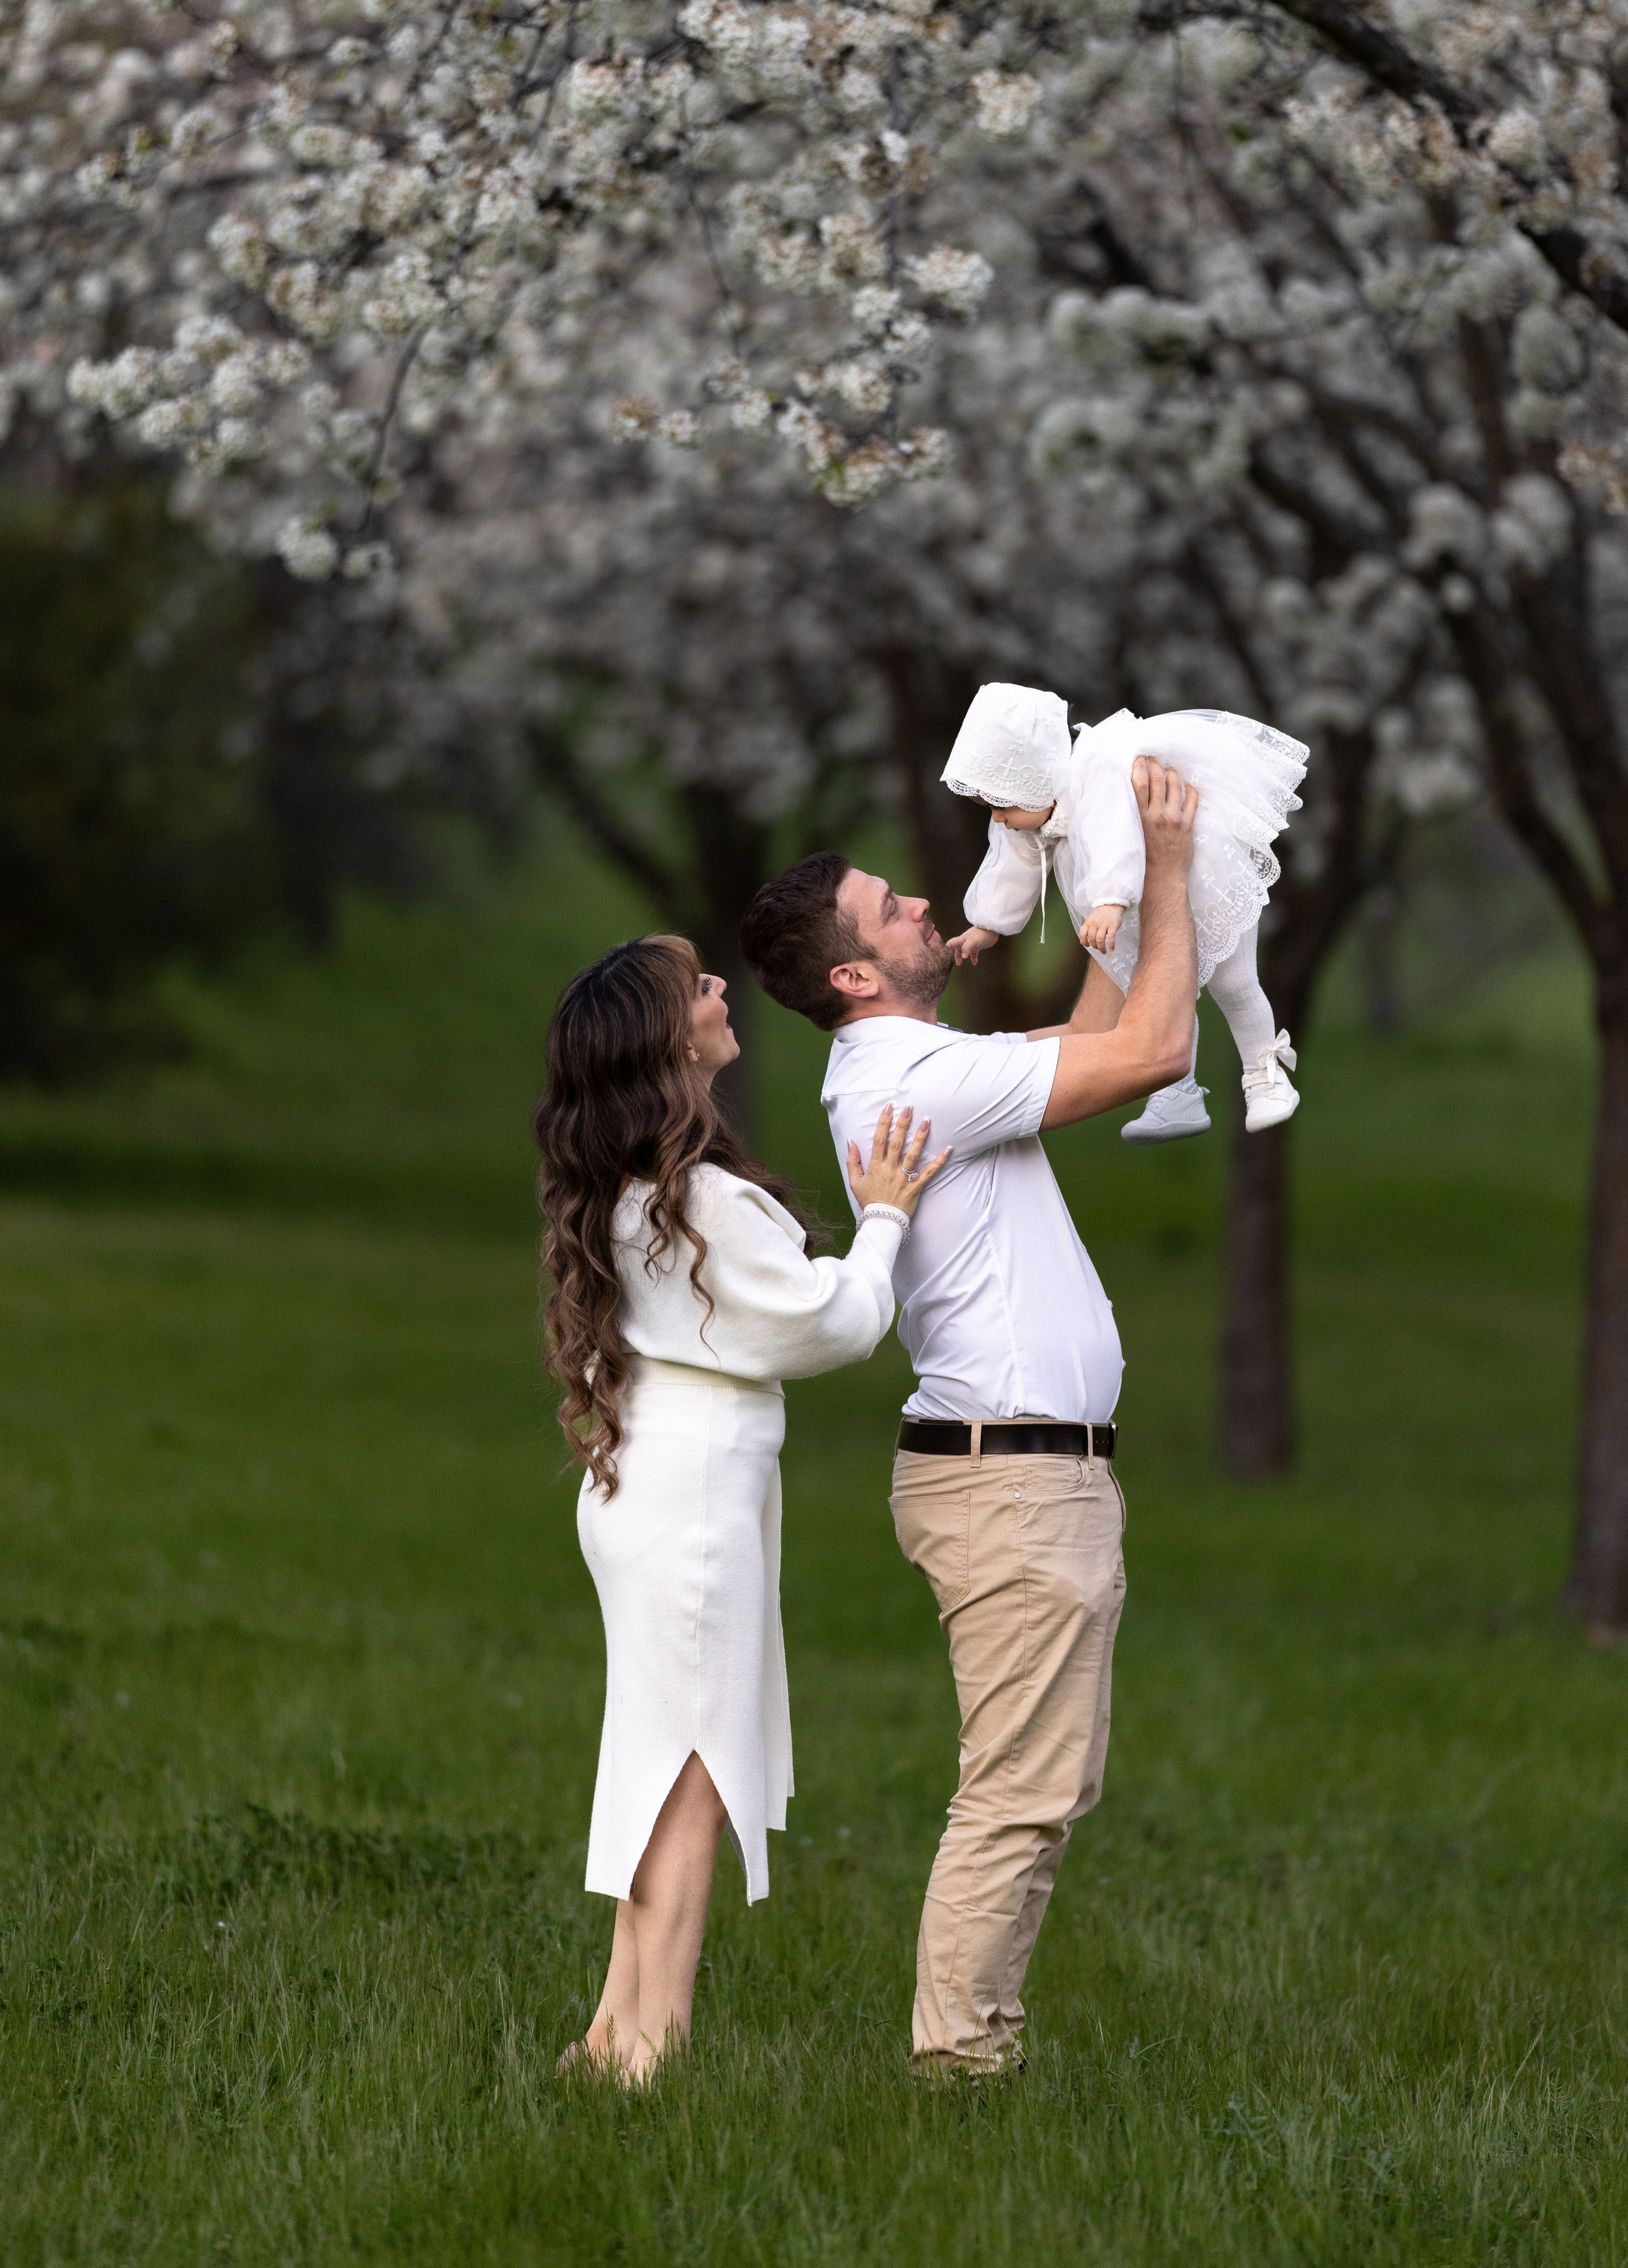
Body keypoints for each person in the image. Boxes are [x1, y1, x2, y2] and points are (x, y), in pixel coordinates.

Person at [738, 755, 1198, 2079]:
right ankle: (957, 2061)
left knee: (1041, 1786)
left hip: (1028, 1478)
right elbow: (1157, 1053)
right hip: (1008, 1479)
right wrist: (1167, 866)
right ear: (852, 977)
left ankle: (968, 2044)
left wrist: (1095, 891)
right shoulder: (906, 1079)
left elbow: (1097, 1041)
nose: (922, 898)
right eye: (889, 906)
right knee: (1019, 1791)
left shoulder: (922, 1061)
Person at [535, 933, 948, 2083]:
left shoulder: (656, 1191)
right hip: (692, 1499)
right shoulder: (694, 1199)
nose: (722, 989)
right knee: (693, 1767)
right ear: (667, 1039)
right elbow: (828, 1323)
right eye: (697, 985)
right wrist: (885, 1215)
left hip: (664, 1490)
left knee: (662, 1757)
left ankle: (614, 2031)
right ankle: (648, 2046)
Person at [940, 682, 1307, 1142]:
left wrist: (1110, 901)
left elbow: (1114, 833)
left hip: (1202, 860)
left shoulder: (1099, 764)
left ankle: (1266, 1074)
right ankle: (1177, 1093)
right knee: (1151, 981)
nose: (997, 817)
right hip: (1144, 882)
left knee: (1233, 981)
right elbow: (1012, 857)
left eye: (1000, 805)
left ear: (1032, 775)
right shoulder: (1033, 799)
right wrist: (987, 924)